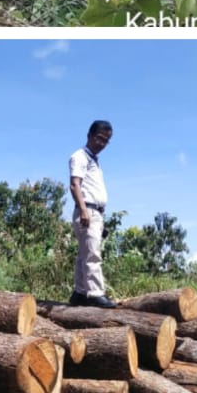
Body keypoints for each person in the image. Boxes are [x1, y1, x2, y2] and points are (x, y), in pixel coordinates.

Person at [68, 120, 116, 307]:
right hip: (87, 209)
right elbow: (75, 185)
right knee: (92, 254)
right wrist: (83, 210)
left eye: (106, 141)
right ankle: (95, 293)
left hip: (95, 212)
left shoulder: (94, 160)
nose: (101, 144)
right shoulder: (80, 157)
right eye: (99, 138)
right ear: (89, 135)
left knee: (84, 253)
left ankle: (80, 293)